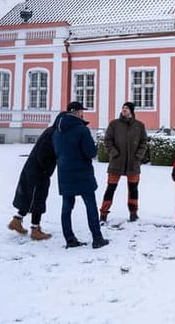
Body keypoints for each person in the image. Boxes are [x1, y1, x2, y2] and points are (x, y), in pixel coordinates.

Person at [53, 101, 108, 249]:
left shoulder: (57, 130)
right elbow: (91, 152)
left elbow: (56, 151)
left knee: (66, 207)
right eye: (81, 111)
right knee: (90, 205)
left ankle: (69, 239)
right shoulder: (82, 130)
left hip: (64, 172)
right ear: (76, 112)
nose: (82, 114)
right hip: (82, 173)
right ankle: (97, 238)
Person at [7, 111, 65, 240]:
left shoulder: (51, 131)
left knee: (30, 197)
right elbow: (43, 154)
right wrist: (46, 170)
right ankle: (35, 229)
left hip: (34, 169)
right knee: (38, 199)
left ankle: (17, 220)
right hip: (39, 171)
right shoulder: (53, 134)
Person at [100, 102, 148, 223]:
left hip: (133, 163)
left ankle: (133, 213)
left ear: (131, 110)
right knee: (110, 188)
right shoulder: (114, 124)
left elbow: (143, 142)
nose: (124, 110)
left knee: (133, 189)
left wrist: (138, 156)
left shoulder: (139, 125)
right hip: (117, 162)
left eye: (127, 108)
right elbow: (108, 140)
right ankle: (103, 213)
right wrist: (114, 153)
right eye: (123, 108)